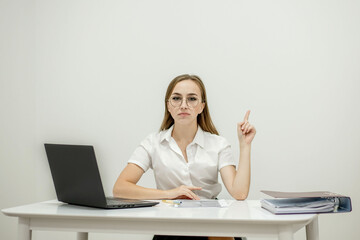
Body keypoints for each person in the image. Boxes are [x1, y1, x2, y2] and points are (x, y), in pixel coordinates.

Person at [113, 74, 256, 240]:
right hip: (171, 226)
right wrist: (170, 193)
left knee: (221, 234)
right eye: (176, 98)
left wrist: (245, 146)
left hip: (211, 225)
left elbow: (239, 193)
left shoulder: (218, 144)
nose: (183, 105)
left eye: (192, 99)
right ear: (168, 105)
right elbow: (120, 188)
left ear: (202, 106)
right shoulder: (153, 143)